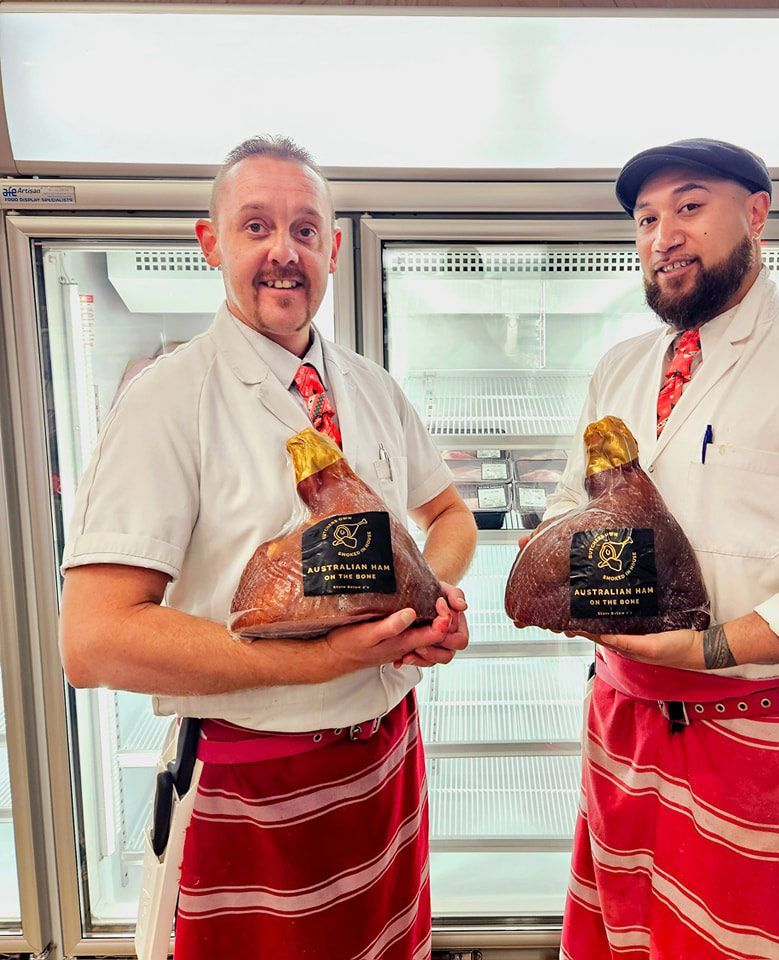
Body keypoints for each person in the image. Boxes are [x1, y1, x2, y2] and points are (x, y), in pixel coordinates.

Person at [58, 135, 477, 960]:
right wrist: (317, 662)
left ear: (333, 247)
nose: (283, 252)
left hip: (387, 765)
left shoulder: (372, 388)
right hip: (249, 788)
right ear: (210, 242)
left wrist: (431, 604)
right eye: (255, 226)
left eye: (304, 229)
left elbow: (450, 517)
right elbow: (93, 640)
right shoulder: (166, 402)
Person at [535, 139, 779, 959]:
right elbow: (575, 507)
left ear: (755, 214)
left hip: (766, 742)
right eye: (645, 219)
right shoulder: (619, 369)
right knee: (628, 933)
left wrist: (707, 646)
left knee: (760, 943)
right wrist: (566, 591)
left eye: (689, 207)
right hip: (626, 725)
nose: (662, 236)